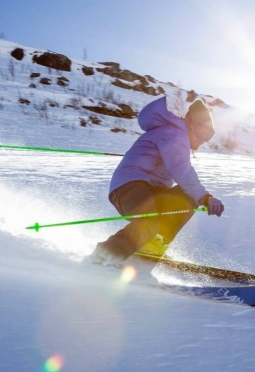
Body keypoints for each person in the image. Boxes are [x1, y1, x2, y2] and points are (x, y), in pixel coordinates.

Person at [89, 96, 225, 266]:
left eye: (209, 136)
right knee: (149, 222)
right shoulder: (174, 134)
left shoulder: (175, 134)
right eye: (203, 133)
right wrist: (205, 197)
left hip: (150, 190)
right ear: (191, 121)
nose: (201, 142)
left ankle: (150, 250)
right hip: (129, 187)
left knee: (185, 196)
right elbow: (181, 170)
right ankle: (105, 257)